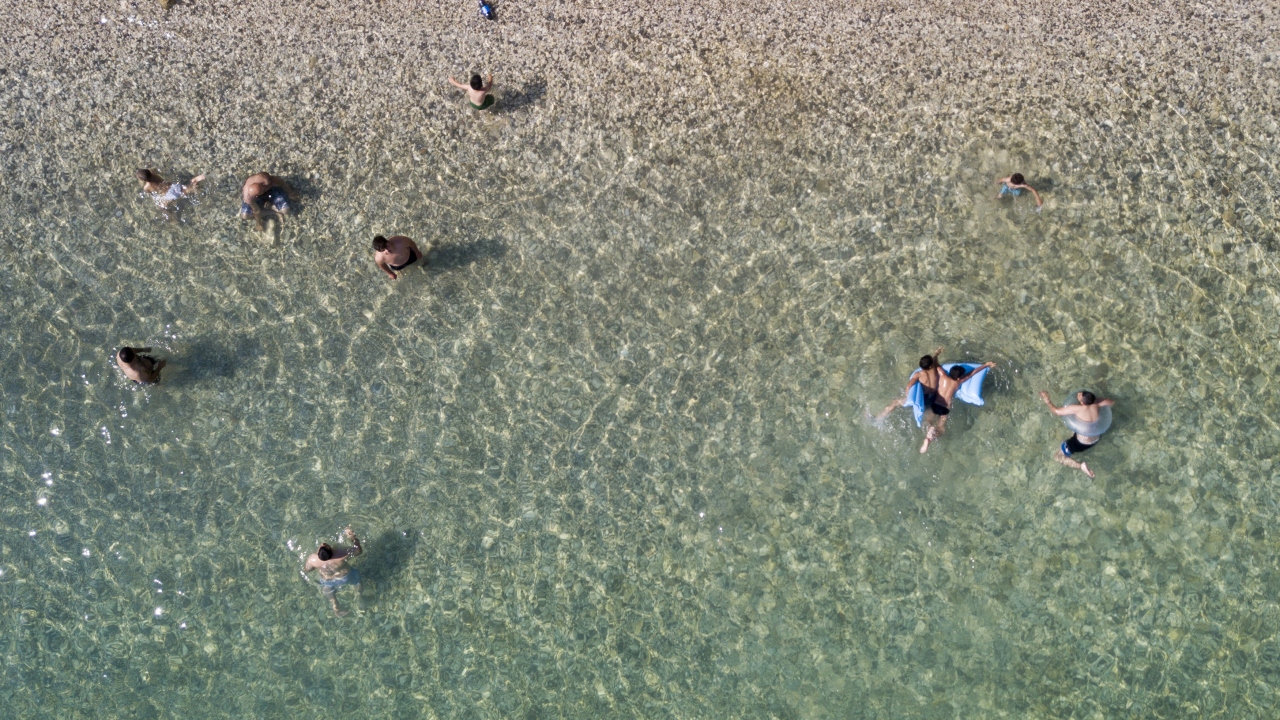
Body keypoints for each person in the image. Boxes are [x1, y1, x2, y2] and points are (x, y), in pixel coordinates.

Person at [920, 361, 997, 453]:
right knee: (941, 428)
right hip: (945, 407)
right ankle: (931, 437)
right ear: (959, 377)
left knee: (927, 420)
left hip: (935, 403)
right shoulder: (958, 382)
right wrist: (986, 365)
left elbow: (935, 365)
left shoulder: (943, 376)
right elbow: (972, 373)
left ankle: (929, 431)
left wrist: (937, 354)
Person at [1039, 390, 1114, 479]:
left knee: (1058, 456)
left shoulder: (1078, 409)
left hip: (1082, 442)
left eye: (1079, 395)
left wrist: (1047, 400)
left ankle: (1080, 466)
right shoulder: (1097, 403)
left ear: (1082, 401)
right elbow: (1111, 402)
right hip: (1096, 437)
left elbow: (1057, 412)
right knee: (1075, 432)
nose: (1078, 394)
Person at [304, 527, 363, 616]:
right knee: (357, 582)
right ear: (332, 550)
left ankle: (335, 607)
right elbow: (358, 552)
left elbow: (307, 570)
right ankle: (359, 597)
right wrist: (354, 539)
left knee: (327, 591)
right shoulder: (341, 553)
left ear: (318, 553)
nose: (322, 544)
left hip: (327, 580)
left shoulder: (313, 559)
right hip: (345, 577)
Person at [876, 347, 944, 421]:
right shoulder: (935, 368)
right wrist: (937, 352)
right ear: (931, 365)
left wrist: (908, 397)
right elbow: (934, 358)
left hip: (923, 398)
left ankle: (878, 418)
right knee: (928, 419)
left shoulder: (919, 374)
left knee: (895, 402)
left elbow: (909, 386)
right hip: (935, 397)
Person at [137, 169, 205, 209]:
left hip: (169, 194)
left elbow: (152, 194)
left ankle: (173, 220)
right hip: (173, 186)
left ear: (142, 180)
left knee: (162, 207)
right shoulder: (153, 172)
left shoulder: (146, 187)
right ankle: (194, 181)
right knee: (186, 190)